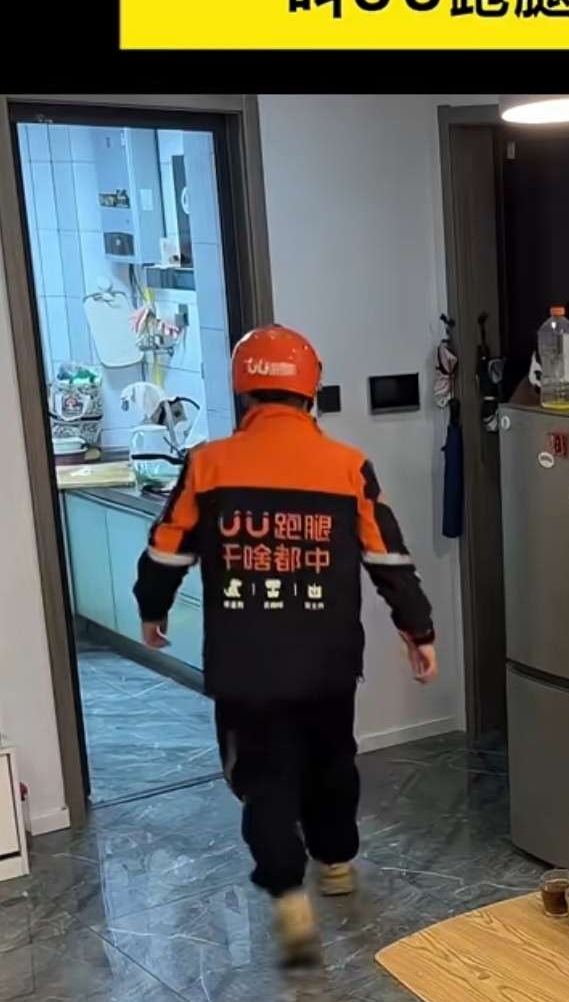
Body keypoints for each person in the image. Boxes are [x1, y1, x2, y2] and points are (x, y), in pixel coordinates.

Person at [133, 325, 437, 965]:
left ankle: (287, 890)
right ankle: (336, 862)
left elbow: (166, 549)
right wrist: (419, 631)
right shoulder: (346, 466)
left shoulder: (209, 463)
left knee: (263, 775)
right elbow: (389, 557)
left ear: (243, 389)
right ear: (310, 389)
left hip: (244, 665)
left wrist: (152, 609)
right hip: (328, 660)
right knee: (332, 760)